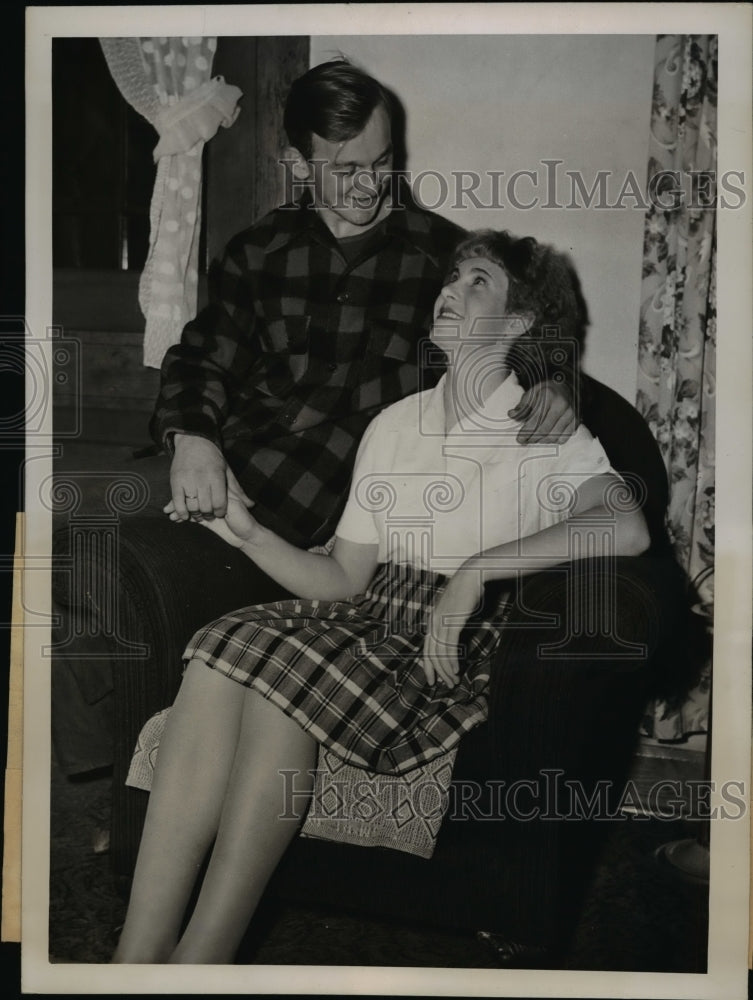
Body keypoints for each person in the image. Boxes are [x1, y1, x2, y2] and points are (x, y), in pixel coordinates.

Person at [112, 229, 649, 964]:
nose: (450, 289)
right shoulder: (394, 425)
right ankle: (139, 957)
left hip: (444, 644)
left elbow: (624, 526)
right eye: (451, 276)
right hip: (364, 621)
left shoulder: (542, 429)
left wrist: (477, 570)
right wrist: (242, 531)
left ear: (519, 324)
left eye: (478, 283)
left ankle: (202, 955)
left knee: (274, 674)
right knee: (219, 650)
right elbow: (340, 582)